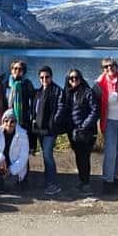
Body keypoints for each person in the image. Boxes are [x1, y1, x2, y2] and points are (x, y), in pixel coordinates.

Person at [61, 69, 100, 195]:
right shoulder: (68, 93)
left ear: (81, 78)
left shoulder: (88, 92)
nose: (74, 80)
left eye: (76, 77)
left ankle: (86, 183)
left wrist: (83, 126)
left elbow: (95, 111)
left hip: (86, 132)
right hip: (73, 131)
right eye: (71, 78)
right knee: (79, 156)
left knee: (84, 157)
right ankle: (82, 181)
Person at [94, 57, 118, 195]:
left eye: (112, 65)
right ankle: (107, 181)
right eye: (106, 66)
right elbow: (93, 102)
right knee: (110, 152)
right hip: (109, 122)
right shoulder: (99, 83)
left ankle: (115, 178)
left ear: (116, 66)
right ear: (103, 69)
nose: (109, 68)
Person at [32, 65, 66, 196]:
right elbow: (35, 108)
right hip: (40, 129)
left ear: (51, 77)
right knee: (45, 155)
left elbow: (61, 108)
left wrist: (54, 122)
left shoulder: (57, 91)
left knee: (47, 155)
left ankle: (53, 184)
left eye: (47, 77)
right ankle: (48, 180)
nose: (44, 79)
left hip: (50, 130)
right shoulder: (39, 91)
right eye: (42, 77)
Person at [0, 110, 29, 191]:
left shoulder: (23, 135)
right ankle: (1, 177)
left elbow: (23, 157)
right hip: (3, 164)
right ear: (3, 122)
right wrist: (0, 159)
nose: (9, 124)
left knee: (9, 185)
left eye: (12, 121)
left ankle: (18, 180)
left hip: (15, 166)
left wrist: (11, 169)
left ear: (16, 123)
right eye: (6, 121)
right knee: (1, 180)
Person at [5, 60, 37, 154]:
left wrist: (32, 117)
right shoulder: (6, 83)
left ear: (23, 71)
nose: (17, 71)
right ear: (11, 70)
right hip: (8, 121)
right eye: (15, 68)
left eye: (20, 69)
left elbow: (34, 101)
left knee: (23, 149)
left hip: (23, 121)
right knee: (9, 148)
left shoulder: (27, 84)